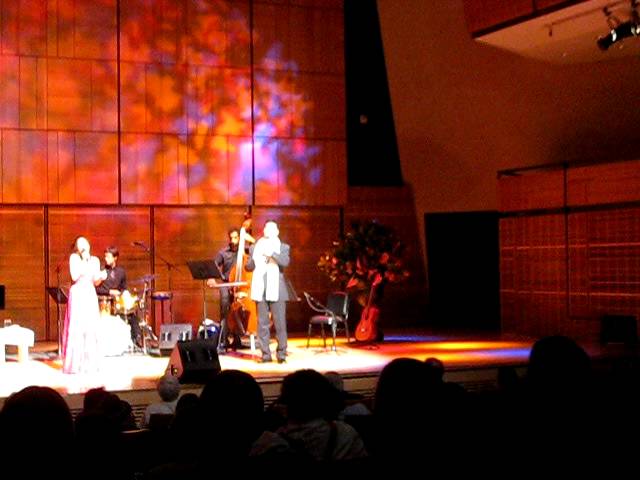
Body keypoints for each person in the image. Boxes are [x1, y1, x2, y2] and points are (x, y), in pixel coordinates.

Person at [246, 219, 292, 364]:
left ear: (277, 232)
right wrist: (249, 256)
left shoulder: (283, 247)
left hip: (277, 289)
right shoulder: (256, 247)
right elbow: (249, 267)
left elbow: (285, 262)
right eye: (267, 228)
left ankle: (281, 353)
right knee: (262, 323)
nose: (269, 231)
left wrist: (271, 253)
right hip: (260, 288)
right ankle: (265, 354)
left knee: (279, 323)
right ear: (264, 231)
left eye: (272, 228)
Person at [62, 236, 106, 374]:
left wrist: (101, 276)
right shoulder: (74, 259)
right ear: (77, 248)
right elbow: (74, 276)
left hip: (89, 293)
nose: (83, 246)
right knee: (77, 326)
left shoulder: (95, 260)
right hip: (78, 293)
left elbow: (95, 281)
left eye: (85, 243)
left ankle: (90, 364)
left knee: (91, 327)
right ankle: (75, 365)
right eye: (80, 244)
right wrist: (85, 261)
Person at [95, 246, 141, 347]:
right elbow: (95, 289)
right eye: (105, 256)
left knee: (132, 313)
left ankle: (137, 339)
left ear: (115, 258)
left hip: (117, 302)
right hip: (105, 302)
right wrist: (109, 292)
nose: (106, 259)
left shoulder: (121, 271)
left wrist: (125, 293)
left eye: (108, 257)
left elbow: (124, 287)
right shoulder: (102, 271)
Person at [207, 228, 243, 353]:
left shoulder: (245, 251)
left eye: (236, 238)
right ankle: (223, 340)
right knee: (225, 309)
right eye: (231, 238)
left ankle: (238, 338)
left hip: (241, 285)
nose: (234, 240)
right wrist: (211, 278)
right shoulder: (223, 253)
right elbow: (214, 265)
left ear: (240, 238)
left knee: (240, 311)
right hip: (226, 284)